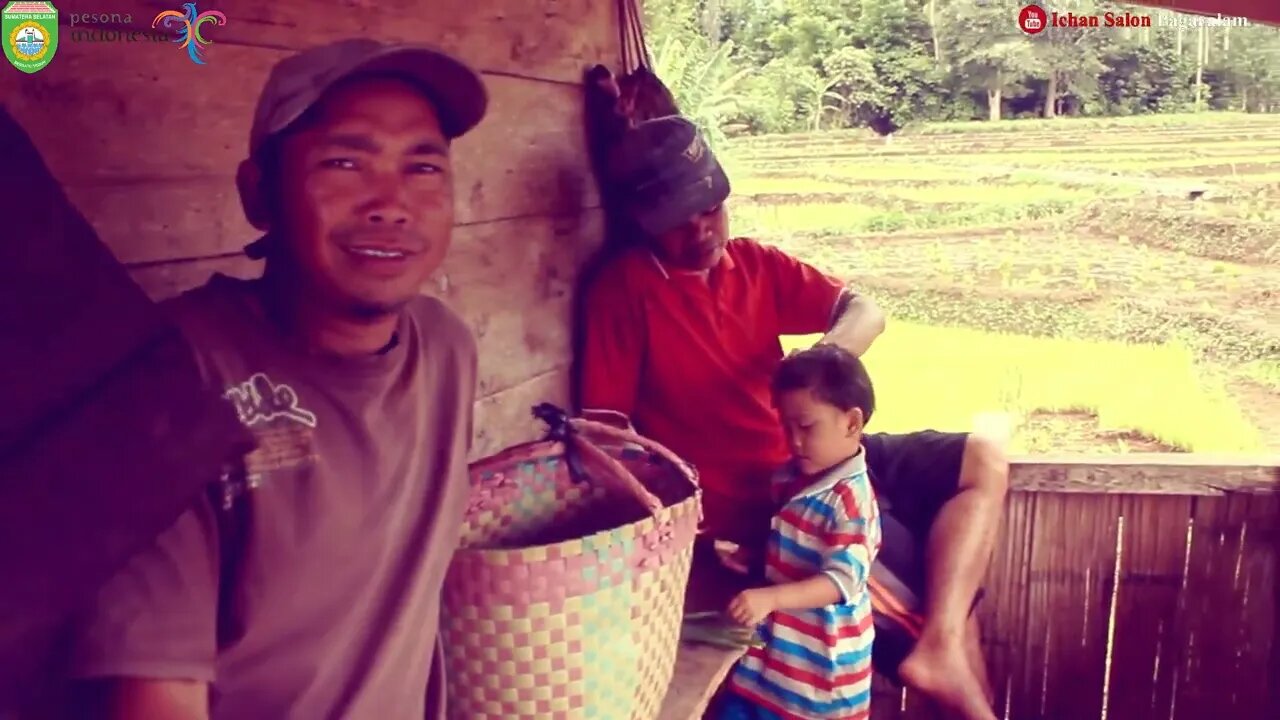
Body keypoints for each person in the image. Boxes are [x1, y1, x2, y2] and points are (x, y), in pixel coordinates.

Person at [57, 38, 488, 720]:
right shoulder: (170, 382)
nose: (392, 203)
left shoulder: (446, 351)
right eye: (345, 161)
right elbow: (157, 697)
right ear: (259, 193)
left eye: (423, 167)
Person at [577, 115, 1008, 719]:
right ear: (645, 225)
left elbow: (865, 310)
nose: (702, 230)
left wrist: (825, 358)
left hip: (825, 450)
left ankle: (937, 642)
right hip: (771, 497)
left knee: (983, 456)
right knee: (946, 618)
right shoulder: (625, 293)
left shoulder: (754, 264)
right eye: (681, 221)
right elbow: (608, 435)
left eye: (712, 209)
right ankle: (940, 649)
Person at [718, 344, 883, 719]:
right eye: (786, 427)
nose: (793, 441)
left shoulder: (851, 502)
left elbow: (840, 582)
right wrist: (753, 559)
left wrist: (770, 598)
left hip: (819, 687)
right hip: (768, 671)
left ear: (852, 423)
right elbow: (792, 554)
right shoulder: (791, 478)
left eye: (806, 427)